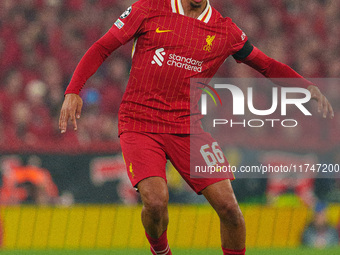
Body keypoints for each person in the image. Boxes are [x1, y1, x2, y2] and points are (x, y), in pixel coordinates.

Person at [59, 0, 334, 254]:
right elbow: (102, 47)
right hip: (139, 123)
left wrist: (305, 86)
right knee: (155, 203)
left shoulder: (225, 31)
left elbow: (266, 65)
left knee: (230, 210)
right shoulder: (149, 8)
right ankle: (162, 251)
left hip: (187, 127)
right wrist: (73, 90)